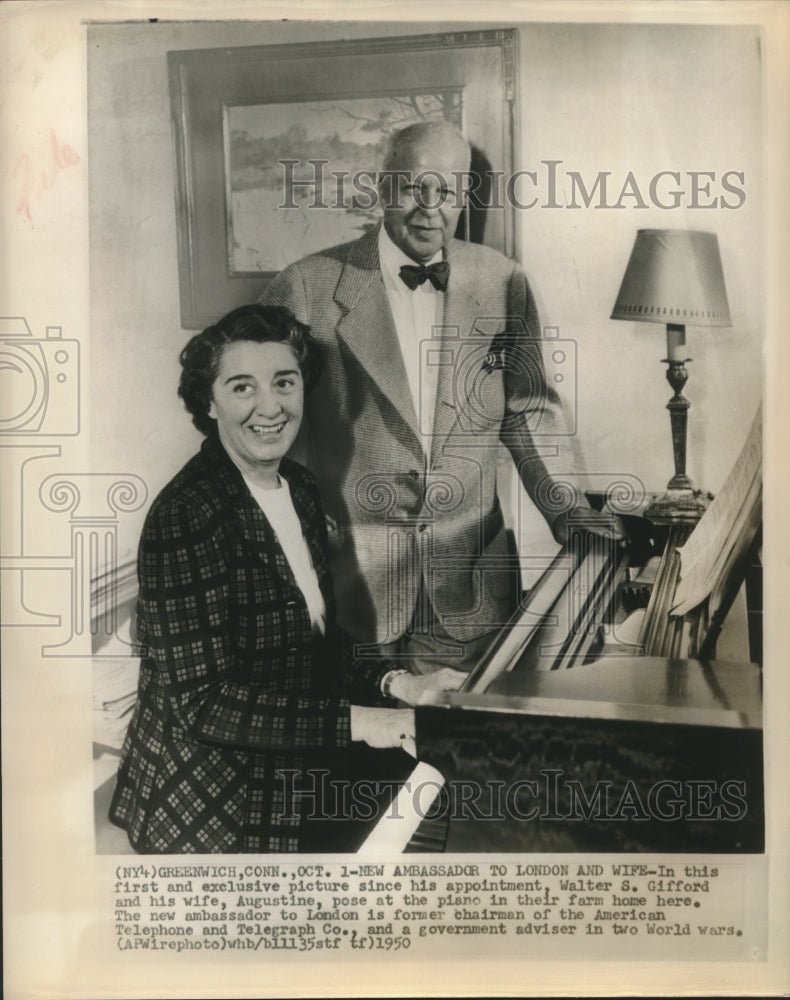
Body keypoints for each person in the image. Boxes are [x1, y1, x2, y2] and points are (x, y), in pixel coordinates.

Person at [261, 121, 622, 673]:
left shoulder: (504, 282)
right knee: (369, 750)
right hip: (352, 593)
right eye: (413, 187)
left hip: (472, 593)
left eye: (448, 191)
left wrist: (568, 509)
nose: (431, 207)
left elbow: (528, 411)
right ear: (383, 188)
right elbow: (263, 430)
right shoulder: (306, 286)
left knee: (461, 750)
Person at [108, 304, 463, 854]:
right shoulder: (186, 514)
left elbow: (316, 642)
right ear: (210, 401)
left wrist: (401, 685)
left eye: (284, 382)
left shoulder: (297, 485)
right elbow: (207, 704)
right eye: (242, 387)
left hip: (302, 750)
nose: (270, 407)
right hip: (216, 795)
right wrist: (374, 723)